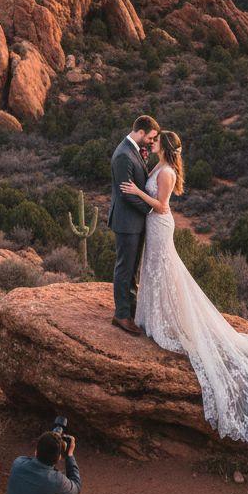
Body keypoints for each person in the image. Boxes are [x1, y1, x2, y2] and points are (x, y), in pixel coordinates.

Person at [121, 129, 248, 443]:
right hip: (153, 225)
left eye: (156, 140)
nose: (152, 142)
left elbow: (161, 206)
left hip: (160, 224)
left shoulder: (168, 172)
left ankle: (170, 319)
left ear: (165, 147)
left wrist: (136, 191)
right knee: (155, 270)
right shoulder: (160, 165)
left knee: (164, 270)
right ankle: (157, 316)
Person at [107, 114, 160, 335]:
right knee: (124, 268)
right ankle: (121, 315)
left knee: (132, 268)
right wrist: (151, 209)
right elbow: (126, 193)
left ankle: (130, 309)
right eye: (150, 137)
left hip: (134, 222)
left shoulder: (134, 150)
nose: (152, 141)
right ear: (140, 132)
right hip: (127, 222)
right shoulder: (123, 155)